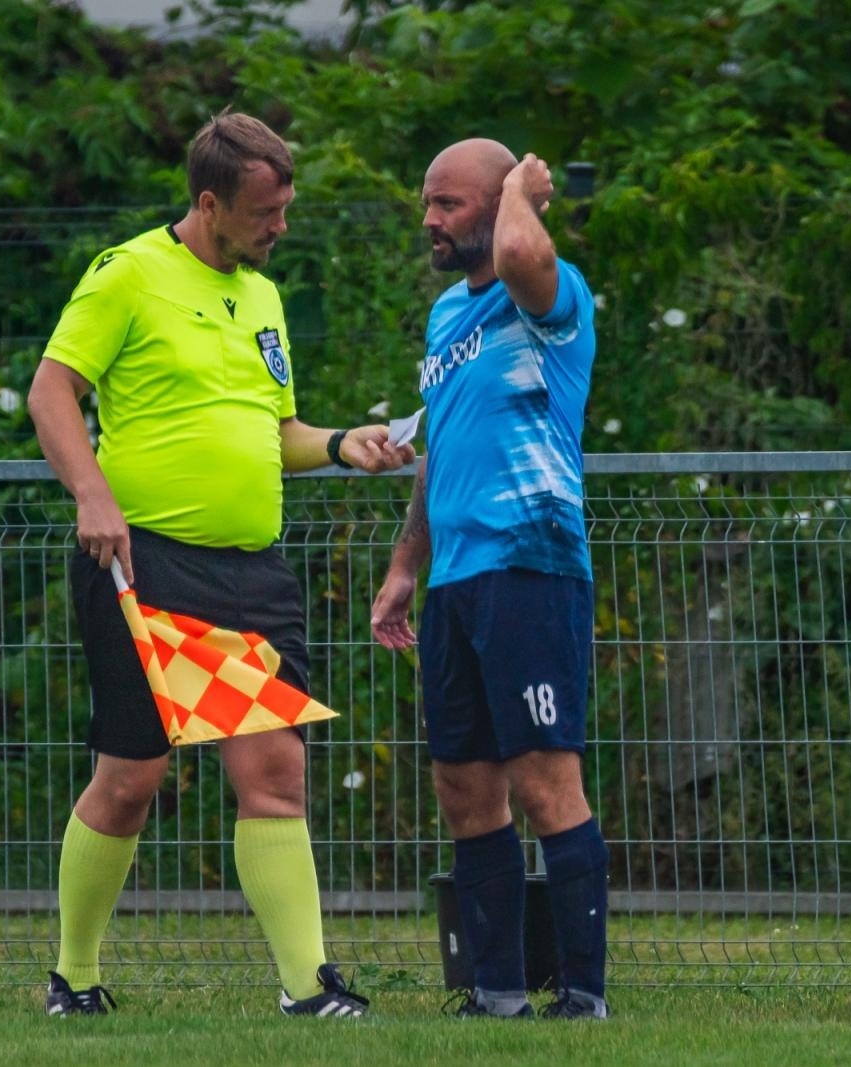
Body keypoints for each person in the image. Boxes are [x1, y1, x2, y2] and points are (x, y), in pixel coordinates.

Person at [27, 111, 415, 1018]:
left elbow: (276, 434)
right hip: (145, 564)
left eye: (285, 207)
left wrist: (343, 443)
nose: (280, 226)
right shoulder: (126, 276)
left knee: (275, 768)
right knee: (132, 779)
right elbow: (51, 390)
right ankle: (72, 976)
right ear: (210, 203)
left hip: (254, 574)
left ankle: (307, 989)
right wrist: (92, 495)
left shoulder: (263, 294)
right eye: (265, 211)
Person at [370, 139, 609, 1019]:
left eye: (448, 204)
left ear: (500, 200)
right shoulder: (444, 317)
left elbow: (518, 251)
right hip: (457, 581)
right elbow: (442, 450)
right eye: (426, 203)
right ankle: (496, 994)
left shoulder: (551, 296)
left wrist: (521, 190)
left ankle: (583, 994)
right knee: (464, 788)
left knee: (546, 783)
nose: (429, 220)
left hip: (531, 566)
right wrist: (405, 568)